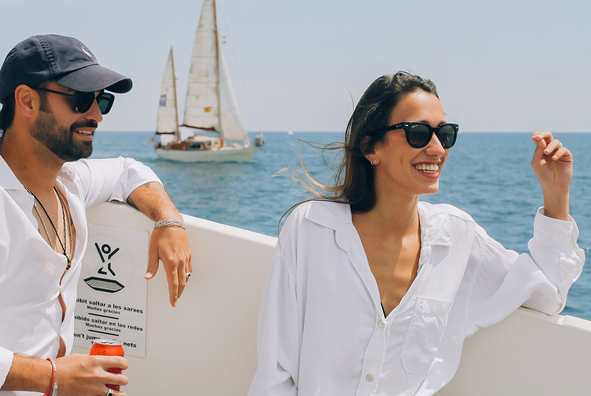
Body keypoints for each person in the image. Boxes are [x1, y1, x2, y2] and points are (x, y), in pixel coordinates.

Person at [0, 34, 192, 396]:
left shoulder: (69, 183)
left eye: (103, 101)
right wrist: (53, 378)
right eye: (81, 100)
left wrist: (168, 221)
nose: (95, 115)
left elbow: (129, 172)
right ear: (27, 101)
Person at [248, 71, 584, 396]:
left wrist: (556, 194)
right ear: (370, 148)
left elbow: (548, 292)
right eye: (418, 133)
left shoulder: (458, 239)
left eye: (445, 133)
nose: (437, 149)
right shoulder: (311, 229)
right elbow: (275, 374)